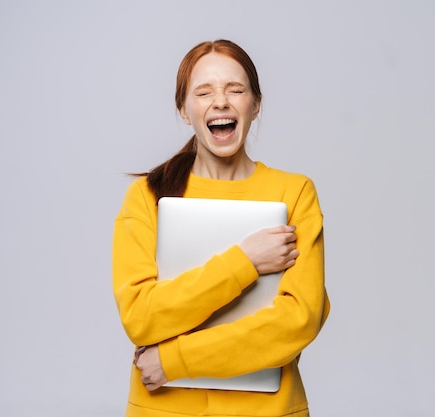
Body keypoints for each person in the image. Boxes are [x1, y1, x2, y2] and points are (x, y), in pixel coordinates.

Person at [112, 39, 330, 417]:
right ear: (184, 109)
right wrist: (245, 261)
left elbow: (298, 320)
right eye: (203, 92)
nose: (221, 101)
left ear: (255, 104)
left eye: (235, 89)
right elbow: (141, 317)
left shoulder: (295, 193)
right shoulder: (146, 197)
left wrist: (175, 358)